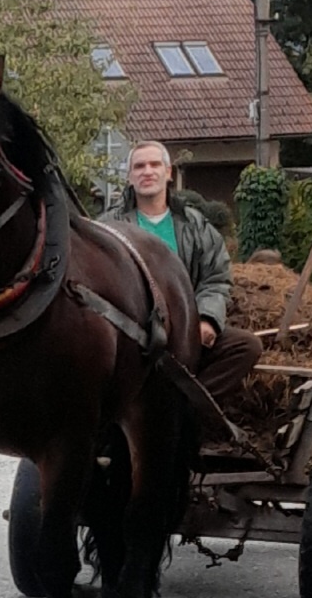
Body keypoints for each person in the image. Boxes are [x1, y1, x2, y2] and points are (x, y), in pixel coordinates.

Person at [102, 140, 262, 405]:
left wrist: (208, 319)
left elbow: (216, 277)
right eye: (139, 166)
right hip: (130, 335)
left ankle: (184, 406)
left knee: (247, 347)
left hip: (185, 333)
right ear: (129, 177)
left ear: (168, 173)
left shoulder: (195, 225)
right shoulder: (108, 228)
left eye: (155, 164)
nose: (147, 171)